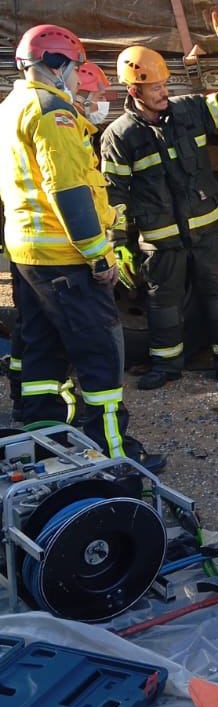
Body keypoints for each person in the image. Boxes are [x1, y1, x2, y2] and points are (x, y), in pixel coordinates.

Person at [100, 9, 218, 388]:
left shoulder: (190, 111)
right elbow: (115, 198)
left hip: (206, 231)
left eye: (164, 84)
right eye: (154, 87)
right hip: (160, 240)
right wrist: (119, 246)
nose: (163, 92)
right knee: (163, 306)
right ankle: (165, 368)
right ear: (133, 90)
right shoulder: (119, 136)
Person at [0, 25, 132, 457]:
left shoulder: (13, 104)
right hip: (64, 254)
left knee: (42, 348)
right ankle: (110, 451)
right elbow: (68, 190)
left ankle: (44, 440)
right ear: (56, 65)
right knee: (100, 350)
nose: (78, 79)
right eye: (75, 69)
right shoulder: (52, 112)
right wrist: (97, 256)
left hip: (28, 251)